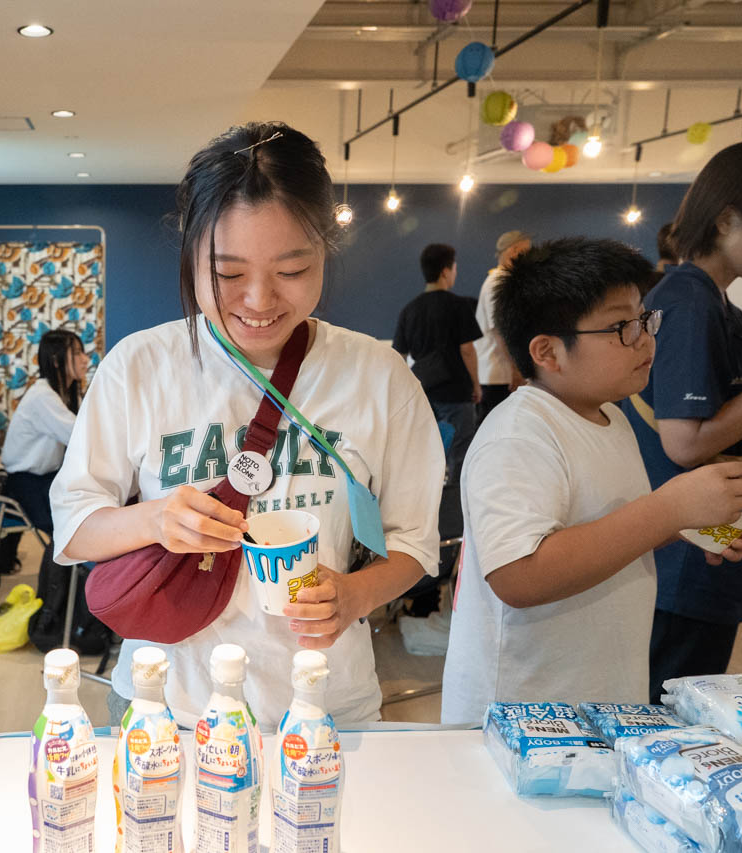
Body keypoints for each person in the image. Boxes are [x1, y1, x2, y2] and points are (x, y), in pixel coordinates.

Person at [49, 122, 445, 730]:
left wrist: (355, 596)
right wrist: (155, 519)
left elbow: (413, 541)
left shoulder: (378, 376)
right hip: (168, 705)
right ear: (190, 255)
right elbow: (74, 527)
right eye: (228, 274)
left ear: (325, 251)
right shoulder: (139, 366)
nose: (259, 301)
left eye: (292, 269)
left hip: (323, 707)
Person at [441, 237, 742, 724]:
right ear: (548, 351)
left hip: (595, 696)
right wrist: (667, 510)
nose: (645, 339)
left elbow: (605, 529)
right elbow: (518, 575)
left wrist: (683, 526)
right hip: (521, 715)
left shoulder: (612, 418)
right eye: (621, 327)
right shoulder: (519, 432)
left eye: (645, 320)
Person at [620, 139, 742, 700]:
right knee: (668, 721)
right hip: (688, 558)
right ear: (727, 219)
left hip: (711, 548)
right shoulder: (688, 302)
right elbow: (684, 442)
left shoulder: (717, 304)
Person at [392, 242, 482, 490]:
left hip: (424, 392)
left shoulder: (409, 310)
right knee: (460, 451)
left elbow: (398, 355)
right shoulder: (459, 305)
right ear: (445, 271)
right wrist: (476, 384)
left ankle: (431, 501)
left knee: (427, 450)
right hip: (456, 391)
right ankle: (457, 505)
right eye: (454, 268)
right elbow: (467, 349)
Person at [0, 329, 90, 533]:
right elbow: (80, 436)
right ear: (56, 361)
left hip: (44, 477)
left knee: (85, 505)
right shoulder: (43, 396)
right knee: (74, 523)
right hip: (26, 484)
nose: (85, 359)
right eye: (77, 353)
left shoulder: (65, 393)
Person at [473, 230, 531, 423]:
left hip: (501, 374)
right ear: (514, 250)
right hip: (497, 376)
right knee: (496, 426)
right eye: (527, 251)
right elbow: (500, 330)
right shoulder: (497, 283)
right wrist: (516, 369)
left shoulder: (503, 281)